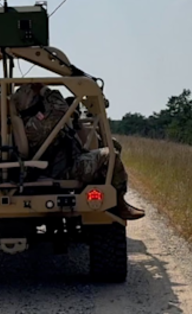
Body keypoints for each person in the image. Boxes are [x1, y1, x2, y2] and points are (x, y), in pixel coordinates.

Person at [11, 83, 145, 220]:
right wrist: (45, 90)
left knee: (113, 144)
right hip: (62, 171)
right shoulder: (34, 125)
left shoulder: (27, 123)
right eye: (35, 96)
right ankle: (119, 204)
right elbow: (60, 109)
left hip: (60, 165)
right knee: (110, 155)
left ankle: (113, 196)